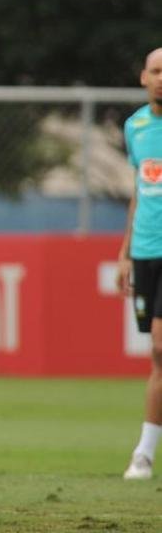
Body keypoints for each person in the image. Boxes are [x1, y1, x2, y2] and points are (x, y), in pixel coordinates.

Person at [118, 46, 162, 480]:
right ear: (143, 78)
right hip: (147, 251)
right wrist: (125, 250)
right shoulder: (136, 127)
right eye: (156, 70)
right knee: (157, 353)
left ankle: (143, 452)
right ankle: (145, 453)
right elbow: (138, 191)